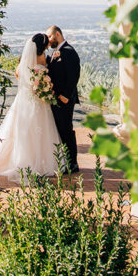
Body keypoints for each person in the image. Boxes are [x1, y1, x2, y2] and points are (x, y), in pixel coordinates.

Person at [0, 32, 61, 179]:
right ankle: (37, 162)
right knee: (39, 128)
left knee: (22, 128)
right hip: (37, 98)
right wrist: (41, 86)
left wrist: (30, 85)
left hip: (25, 96)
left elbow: (18, 73)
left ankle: (21, 159)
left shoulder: (25, 58)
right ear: (43, 45)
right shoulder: (42, 57)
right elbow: (42, 74)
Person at [45, 25, 81, 173]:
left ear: (57, 34)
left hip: (65, 100)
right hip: (56, 99)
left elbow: (74, 75)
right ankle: (65, 161)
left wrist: (66, 96)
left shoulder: (68, 51)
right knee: (60, 130)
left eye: (49, 37)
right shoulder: (55, 52)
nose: (48, 40)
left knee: (66, 130)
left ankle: (73, 163)